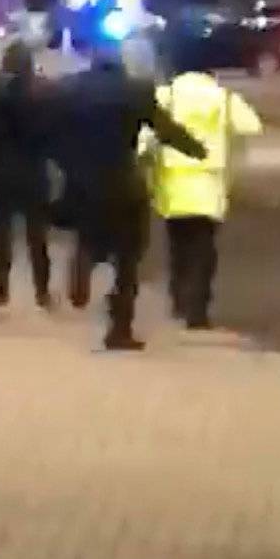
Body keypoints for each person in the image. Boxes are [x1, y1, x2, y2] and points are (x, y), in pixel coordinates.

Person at [50, 42, 206, 352]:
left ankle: (86, 259)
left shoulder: (69, 91)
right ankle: (119, 328)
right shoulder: (137, 91)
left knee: (90, 234)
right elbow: (164, 129)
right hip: (123, 178)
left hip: (81, 180)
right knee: (129, 255)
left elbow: (50, 131)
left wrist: (62, 161)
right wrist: (195, 149)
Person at [142, 35, 263, 329]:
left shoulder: (166, 96)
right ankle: (198, 308)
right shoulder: (222, 97)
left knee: (178, 243)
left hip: (171, 182)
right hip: (209, 182)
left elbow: (144, 141)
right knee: (203, 246)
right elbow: (252, 125)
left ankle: (179, 300)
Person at [0, 40, 54, 309]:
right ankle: (42, 293)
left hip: (3, 169)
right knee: (37, 236)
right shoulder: (42, 96)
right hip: (34, 169)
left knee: (1, 234)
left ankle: (2, 293)